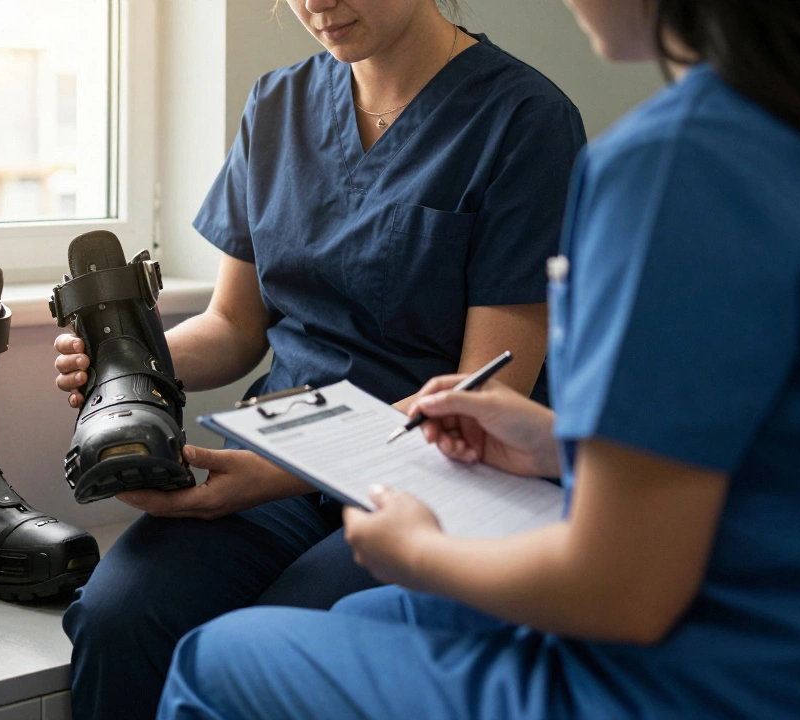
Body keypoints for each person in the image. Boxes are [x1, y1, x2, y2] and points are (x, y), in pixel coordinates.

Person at [155, 0, 800, 717]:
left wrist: (420, 555)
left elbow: (626, 591)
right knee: (314, 622)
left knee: (219, 660)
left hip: (706, 669)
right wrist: (562, 448)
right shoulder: (763, 137)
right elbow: (757, 438)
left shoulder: (663, 164)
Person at [54, 0, 587, 716]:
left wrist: (267, 478)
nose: (317, 4)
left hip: (432, 478)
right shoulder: (279, 103)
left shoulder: (524, 121)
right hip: (281, 461)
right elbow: (233, 327)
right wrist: (129, 366)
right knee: (117, 619)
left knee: (282, 645)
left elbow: (479, 399)